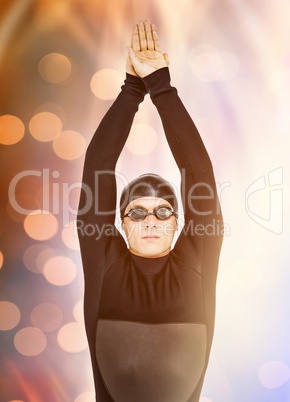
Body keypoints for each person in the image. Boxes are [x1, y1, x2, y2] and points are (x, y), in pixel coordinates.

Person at [77, 19, 223, 402]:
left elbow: (198, 172)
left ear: (178, 224)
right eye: (138, 213)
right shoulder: (105, 264)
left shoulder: (196, 263)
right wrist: (132, 91)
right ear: (121, 224)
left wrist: (159, 85)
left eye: (162, 212)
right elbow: (98, 166)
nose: (151, 221)